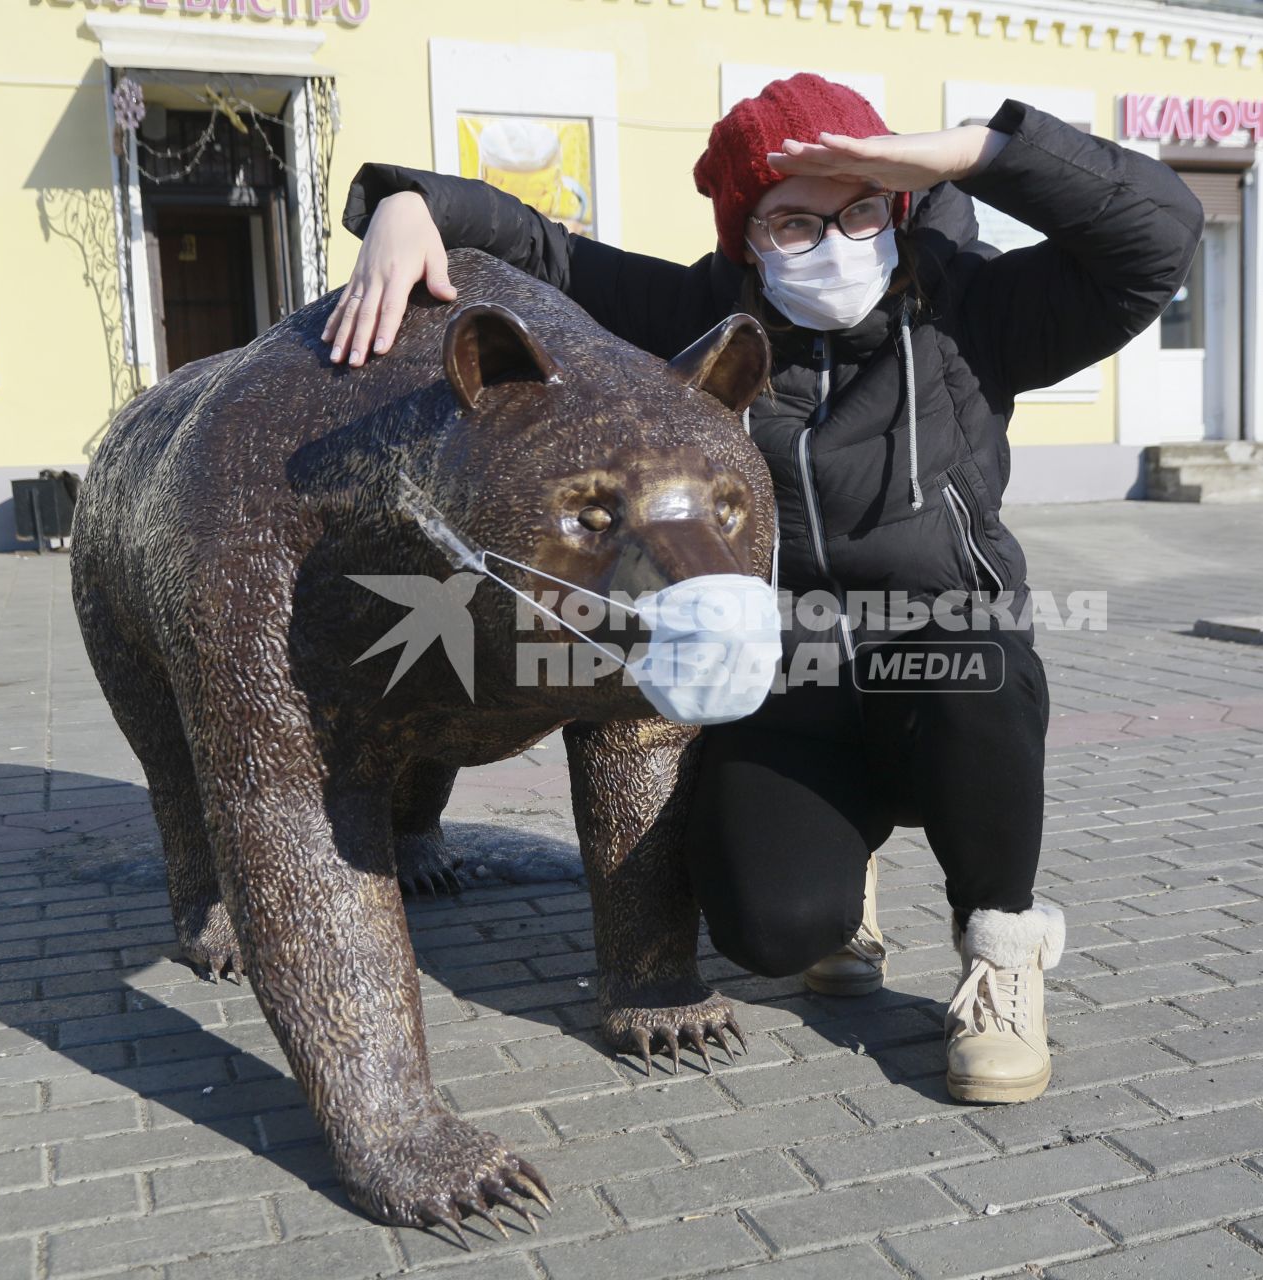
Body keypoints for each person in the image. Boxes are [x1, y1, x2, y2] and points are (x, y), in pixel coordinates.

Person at [327, 74, 1203, 1103]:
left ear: (895, 202)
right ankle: (848, 879)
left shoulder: (973, 310)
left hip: (943, 657)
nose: (834, 241)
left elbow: (1159, 238)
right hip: (786, 674)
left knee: (986, 670)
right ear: (747, 237)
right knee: (771, 927)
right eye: (794, 222)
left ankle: (1002, 957)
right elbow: (546, 250)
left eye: (859, 207)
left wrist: (976, 150)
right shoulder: (701, 317)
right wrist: (404, 203)